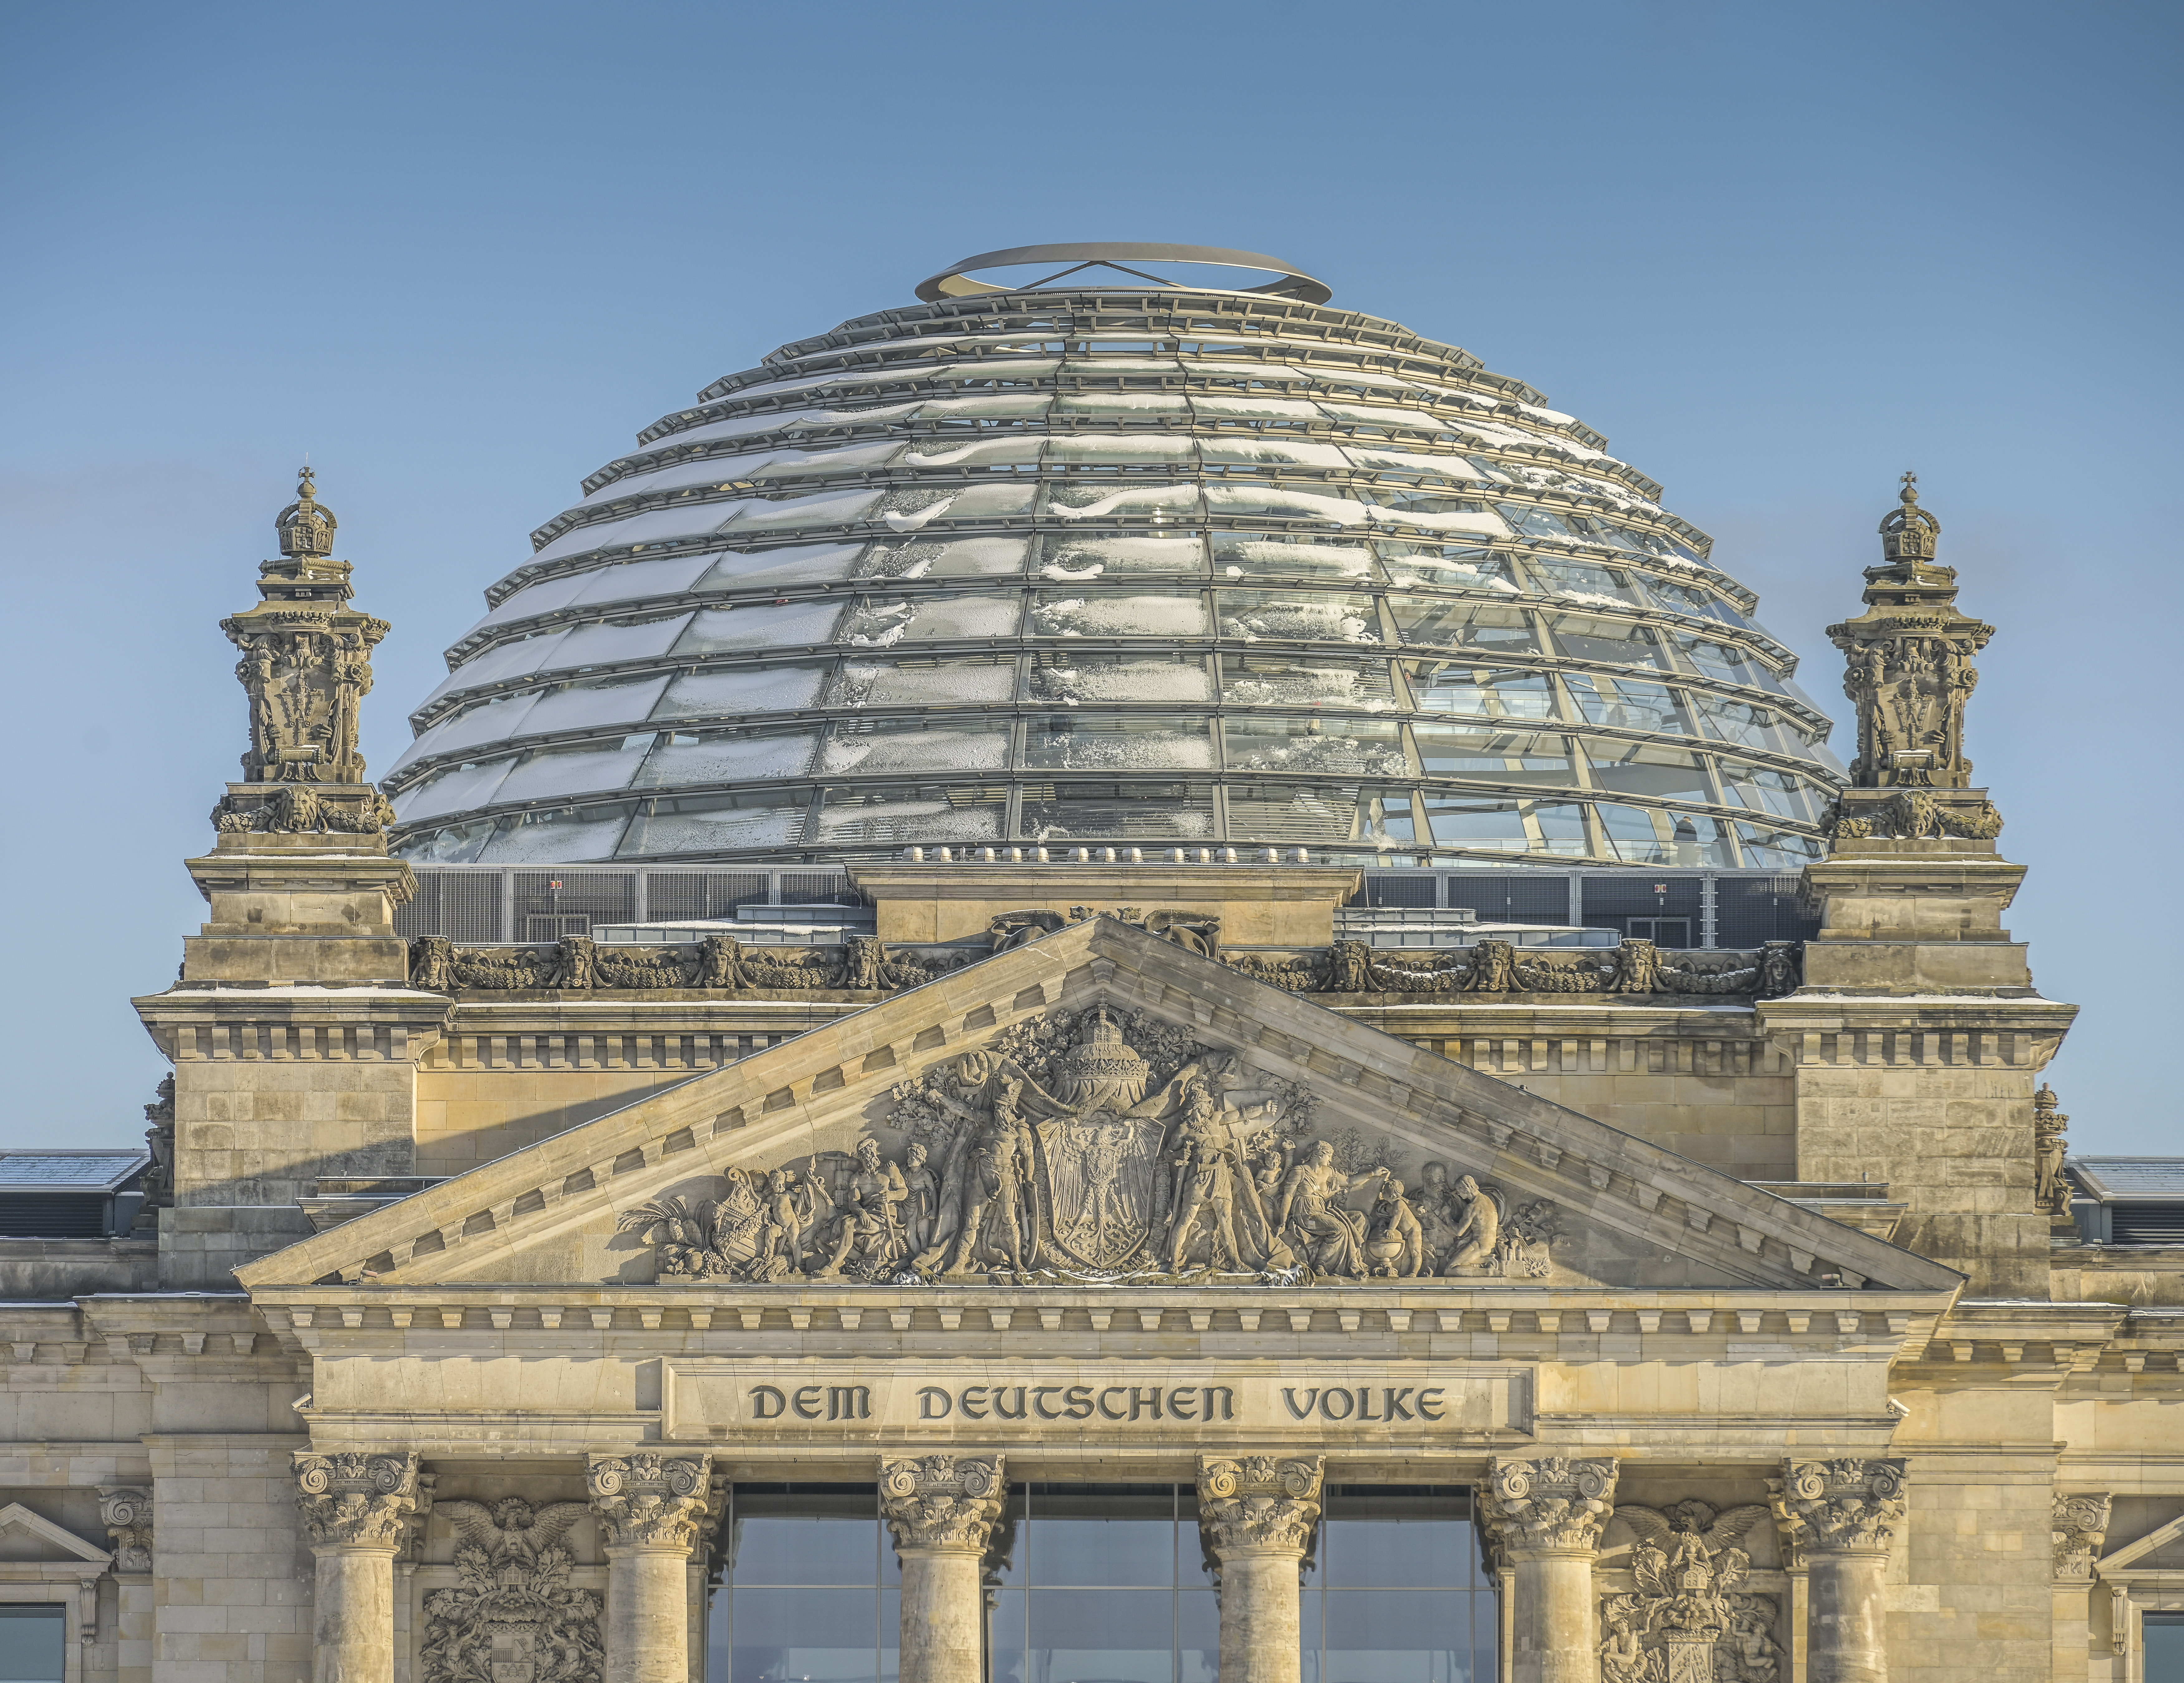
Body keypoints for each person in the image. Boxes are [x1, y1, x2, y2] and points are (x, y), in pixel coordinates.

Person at [1274, 1141, 1387, 1277]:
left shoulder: (1328, 1172)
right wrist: (1283, 1222)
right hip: (1305, 1213)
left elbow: (1350, 1182)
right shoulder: (1300, 1171)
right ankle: (1321, 1263)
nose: (1331, 1160)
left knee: (1360, 1219)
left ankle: (1352, 1260)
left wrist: (1372, 1174)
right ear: (1318, 1155)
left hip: (1323, 1211)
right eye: (1329, 1156)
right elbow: (1288, 1196)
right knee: (1339, 1228)